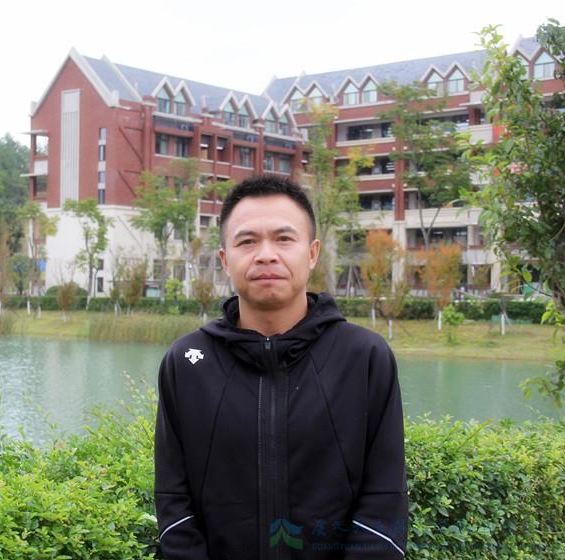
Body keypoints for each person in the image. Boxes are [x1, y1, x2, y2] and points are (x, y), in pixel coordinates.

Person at [154, 175, 407, 559]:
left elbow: (384, 499)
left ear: (312, 253)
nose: (266, 255)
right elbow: (174, 502)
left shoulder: (364, 357)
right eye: (247, 241)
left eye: (284, 239)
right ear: (225, 259)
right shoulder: (187, 362)